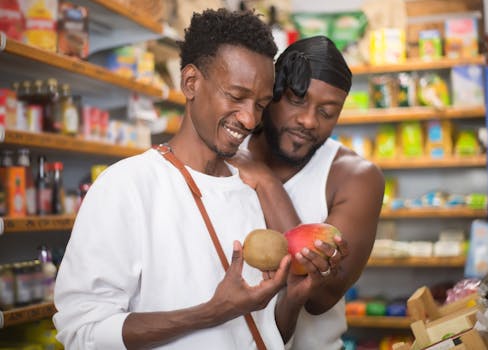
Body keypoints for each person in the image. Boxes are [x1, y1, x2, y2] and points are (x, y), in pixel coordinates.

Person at [53, 9, 298, 349]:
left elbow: (263, 326)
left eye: (260, 104)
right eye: (236, 96)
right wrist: (211, 312)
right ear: (190, 83)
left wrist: (300, 291)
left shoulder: (249, 191)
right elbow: (82, 332)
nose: (249, 118)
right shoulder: (127, 186)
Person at [231, 35, 385, 350]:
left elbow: (321, 298)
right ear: (272, 92)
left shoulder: (355, 177)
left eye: (327, 112)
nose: (308, 120)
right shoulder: (227, 151)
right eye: (297, 100)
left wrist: (266, 181)